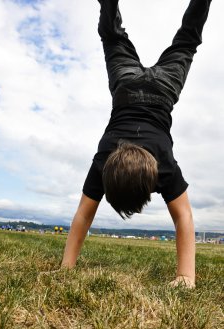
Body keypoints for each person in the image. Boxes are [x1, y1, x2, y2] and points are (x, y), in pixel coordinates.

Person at [61, 0, 213, 288]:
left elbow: (184, 217)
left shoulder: (164, 167)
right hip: (127, 85)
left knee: (187, 39)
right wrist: (184, 276)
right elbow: (84, 214)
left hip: (162, 88)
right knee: (112, 35)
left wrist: (186, 276)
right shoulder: (104, 159)